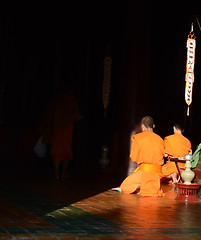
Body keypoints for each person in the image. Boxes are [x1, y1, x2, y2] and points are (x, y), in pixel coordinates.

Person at [113, 116, 165, 197]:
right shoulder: (160, 139)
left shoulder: (139, 138)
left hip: (145, 172)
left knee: (124, 186)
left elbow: (134, 157)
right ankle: (152, 185)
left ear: (142, 126)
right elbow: (163, 154)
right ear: (153, 126)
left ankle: (146, 186)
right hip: (157, 174)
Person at [38, 89, 80, 180]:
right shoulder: (72, 100)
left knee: (57, 149)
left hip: (57, 125)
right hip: (67, 126)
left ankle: (57, 174)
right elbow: (75, 115)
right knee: (66, 149)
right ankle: (63, 173)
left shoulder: (58, 99)